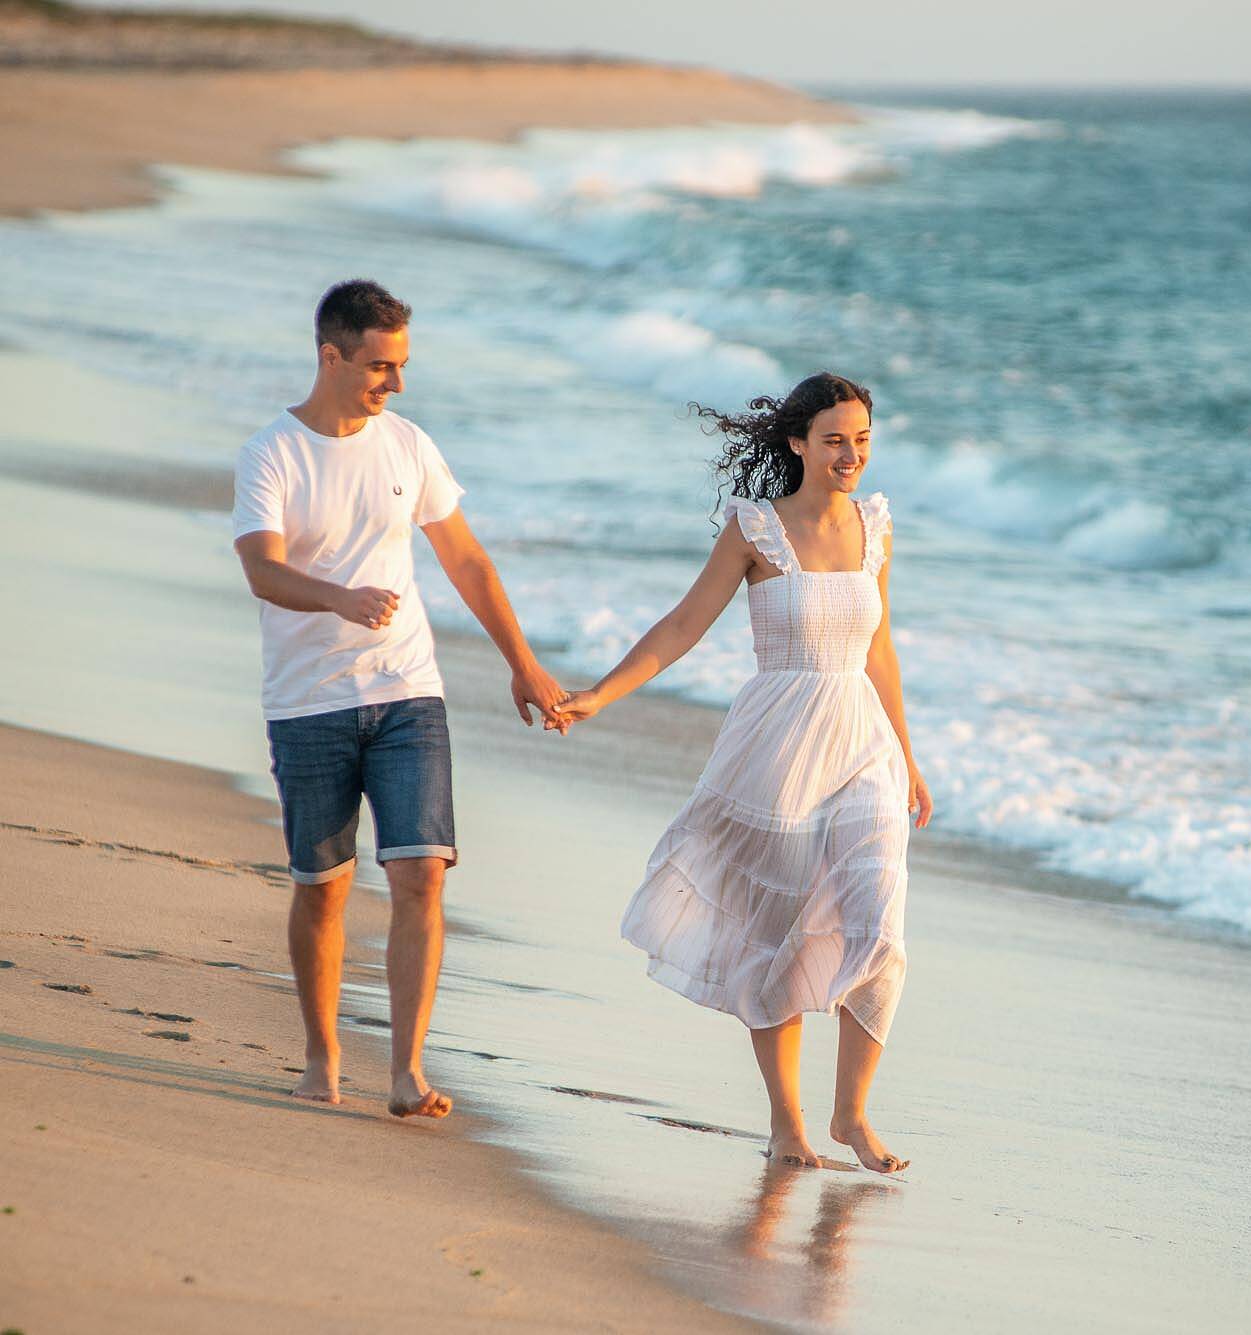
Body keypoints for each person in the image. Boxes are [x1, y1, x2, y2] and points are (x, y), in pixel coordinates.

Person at [549, 372, 931, 1173]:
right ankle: (787, 1123)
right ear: (798, 442)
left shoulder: (876, 525)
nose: (850, 454)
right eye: (834, 439)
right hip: (779, 745)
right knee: (776, 936)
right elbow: (684, 624)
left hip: (861, 741)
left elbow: (882, 649)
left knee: (881, 922)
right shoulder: (756, 529)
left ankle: (850, 1113)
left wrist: (909, 756)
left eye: (862, 439)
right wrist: (598, 696)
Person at [231, 279, 564, 1119]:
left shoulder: (409, 446)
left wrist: (523, 664)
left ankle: (408, 1070)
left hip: (408, 691)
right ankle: (321, 1054)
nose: (397, 383)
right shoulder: (271, 453)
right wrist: (338, 597)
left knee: (421, 872)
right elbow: (261, 568)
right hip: (307, 701)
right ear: (330, 356)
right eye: (381, 366)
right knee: (324, 884)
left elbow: (468, 562)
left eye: (403, 364)